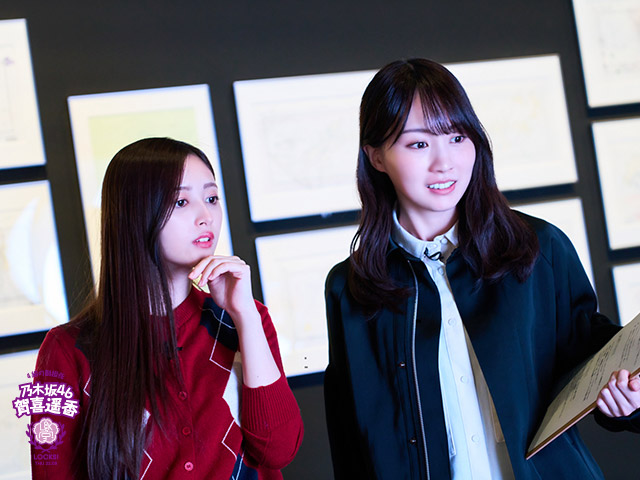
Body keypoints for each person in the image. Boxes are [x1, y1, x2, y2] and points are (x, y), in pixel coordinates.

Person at [323, 58, 640, 479]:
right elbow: (351, 439)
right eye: (418, 145)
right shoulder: (351, 288)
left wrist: (629, 401)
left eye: (457, 137)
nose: (445, 162)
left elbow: (593, 362)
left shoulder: (538, 248)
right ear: (376, 156)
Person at [31, 137, 303, 479]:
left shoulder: (247, 318)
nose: (206, 216)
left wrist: (245, 316)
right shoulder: (65, 351)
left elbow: (278, 450)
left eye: (211, 198)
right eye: (181, 202)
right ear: (134, 215)